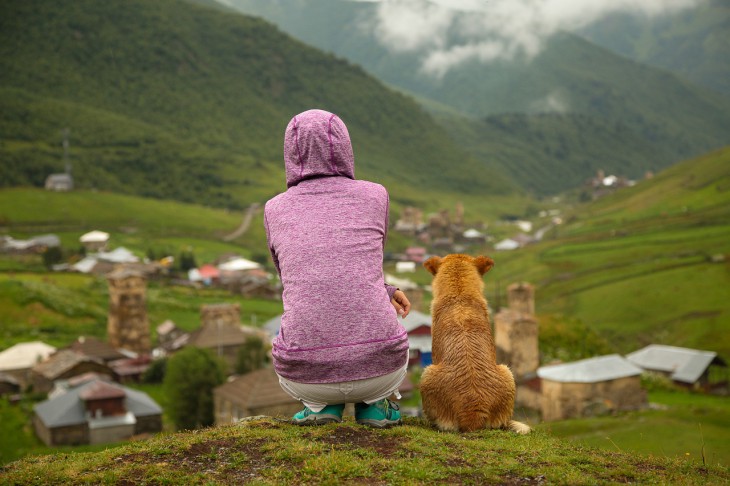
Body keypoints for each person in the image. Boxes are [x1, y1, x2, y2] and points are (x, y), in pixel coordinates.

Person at [264, 109, 411, 427]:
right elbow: (361, 263)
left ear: (290, 151)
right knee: (385, 339)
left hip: (304, 374)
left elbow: (302, 274)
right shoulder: (376, 195)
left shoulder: (274, 208)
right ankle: (374, 405)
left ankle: (319, 407)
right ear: (345, 146)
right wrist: (386, 290)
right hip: (381, 368)